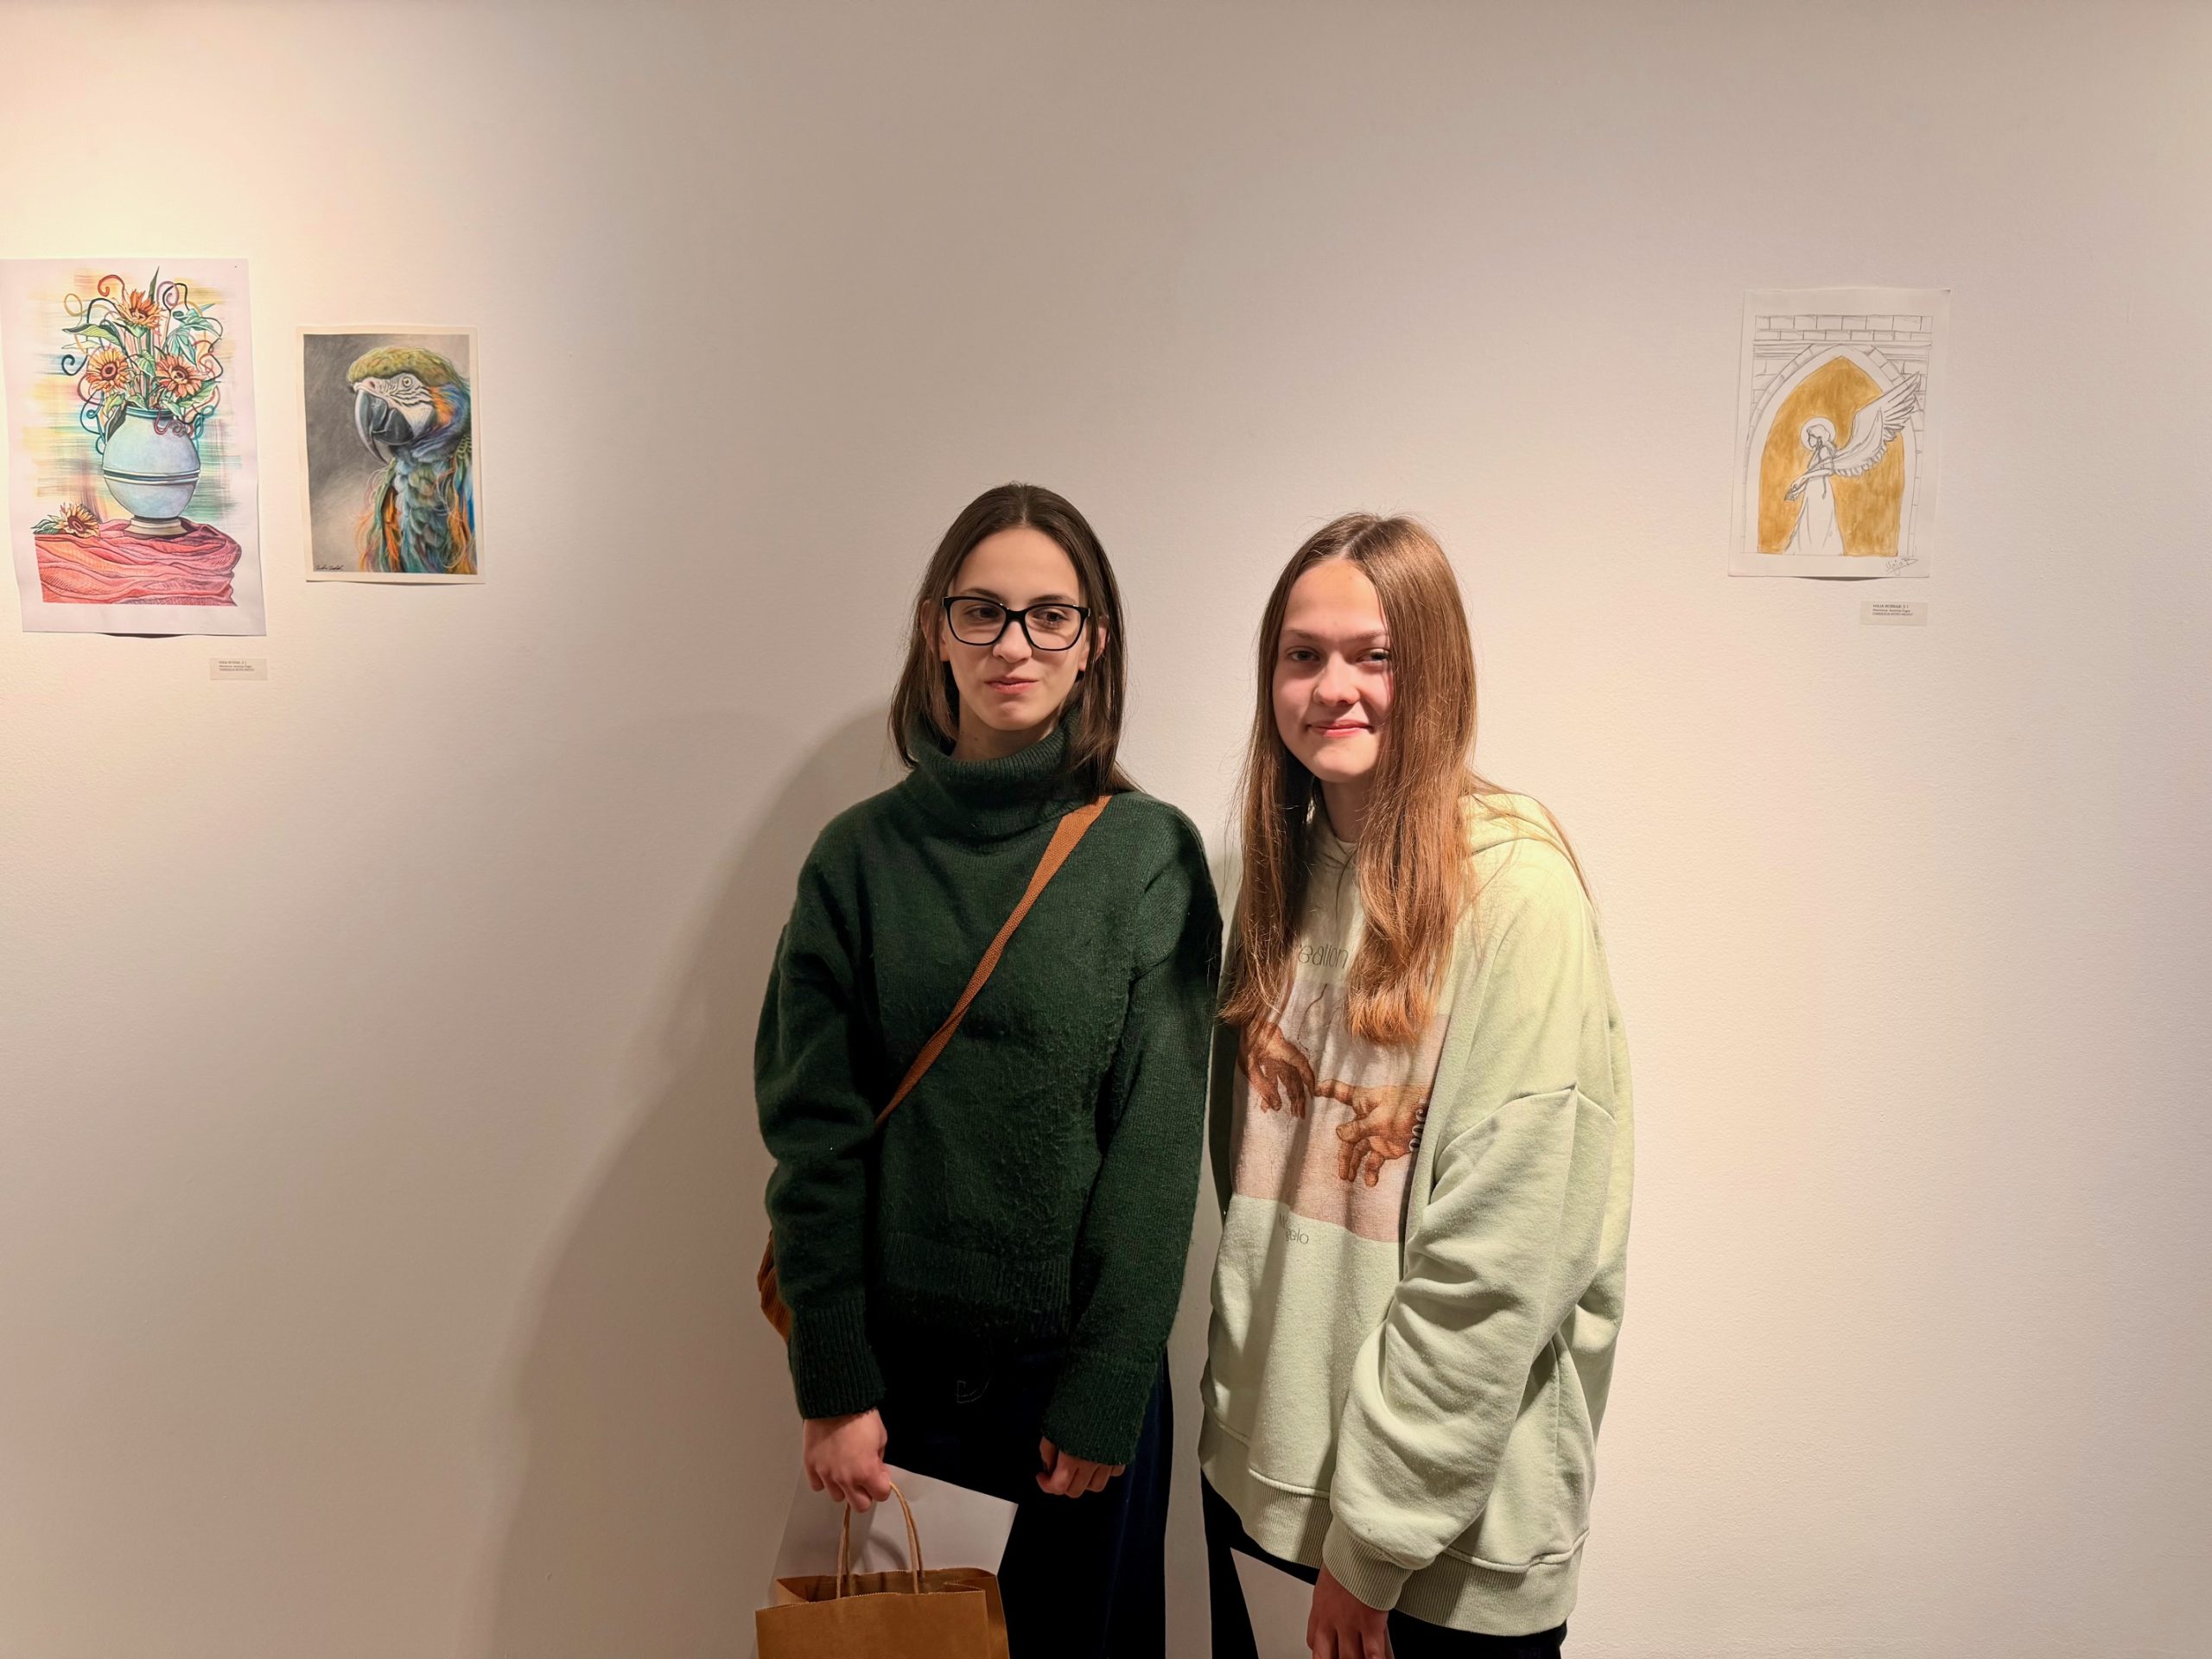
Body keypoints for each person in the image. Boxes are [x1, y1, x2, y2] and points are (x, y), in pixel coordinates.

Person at [755, 482, 1219, 1658]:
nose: (1016, 644)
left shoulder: (1148, 855)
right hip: (896, 1397)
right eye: (984, 611)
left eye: (1050, 616)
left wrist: (1109, 1383)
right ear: (937, 629)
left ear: (1093, 643)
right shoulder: (856, 860)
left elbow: (1158, 1144)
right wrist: (834, 1381)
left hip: (1077, 1396)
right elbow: (813, 1135)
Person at [1200, 513, 1632, 1658]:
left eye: (1374, 655)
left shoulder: (1517, 895)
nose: (1332, 687)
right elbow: (1251, 1200)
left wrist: (1374, 1539)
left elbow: (1499, 1264)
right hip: (1262, 1493)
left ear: (1435, 670)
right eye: (1302, 655)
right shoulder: (1274, 883)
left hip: (1432, 1552)